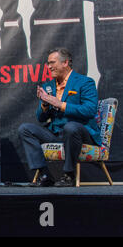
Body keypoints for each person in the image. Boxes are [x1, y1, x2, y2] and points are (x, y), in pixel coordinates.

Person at [18, 47, 100, 187]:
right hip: (57, 132)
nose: (49, 67)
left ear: (65, 63)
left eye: (52, 63)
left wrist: (60, 104)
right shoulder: (49, 86)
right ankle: (44, 175)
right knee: (25, 129)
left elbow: (90, 110)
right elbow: (41, 118)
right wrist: (44, 104)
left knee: (70, 127)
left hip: (80, 132)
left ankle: (69, 174)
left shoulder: (85, 82)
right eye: (48, 63)